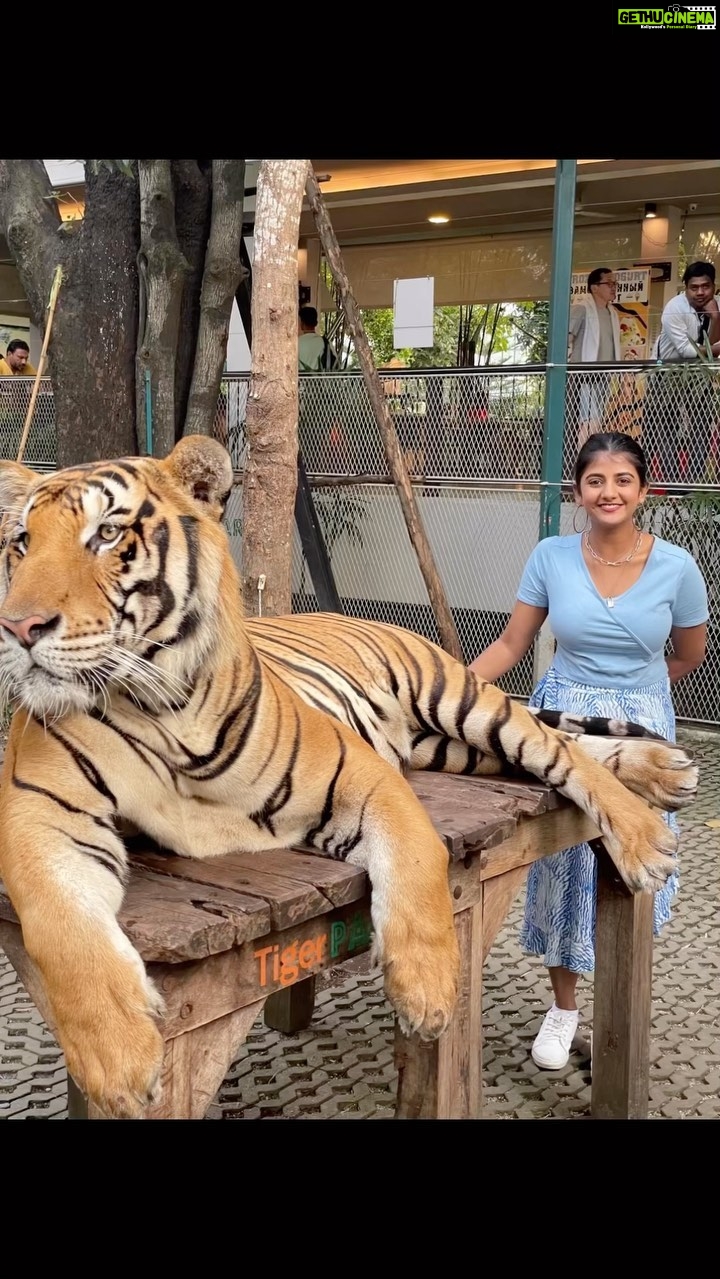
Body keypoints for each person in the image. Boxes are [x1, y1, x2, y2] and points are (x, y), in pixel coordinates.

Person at [468, 432, 708, 1070]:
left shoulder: (678, 568)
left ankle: (619, 1006)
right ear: (578, 491)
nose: (609, 492)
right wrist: (455, 694)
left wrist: (638, 699)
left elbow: (688, 654)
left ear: (643, 490)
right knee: (564, 862)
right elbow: (512, 644)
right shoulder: (550, 555)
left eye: (623, 480)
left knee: (633, 857)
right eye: (596, 481)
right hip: (562, 725)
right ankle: (563, 1008)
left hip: (644, 731)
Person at [648, 261, 720, 485]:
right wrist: (715, 350)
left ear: (714, 286)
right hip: (666, 371)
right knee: (665, 425)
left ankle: (693, 483)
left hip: (699, 375)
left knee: (701, 425)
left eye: (705, 286)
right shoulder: (674, 307)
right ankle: (672, 484)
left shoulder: (718, 305)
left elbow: (711, 348)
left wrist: (717, 317)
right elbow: (688, 351)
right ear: (685, 287)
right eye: (694, 287)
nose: (700, 292)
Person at [567, 268, 622, 447]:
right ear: (595, 287)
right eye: (609, 283)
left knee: (597, 421)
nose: (613, 288)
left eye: (615, 284)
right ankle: (583, 461)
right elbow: (565, 337)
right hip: (583, 376)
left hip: (604, 376)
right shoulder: (582, 308)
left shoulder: (612, 312)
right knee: (589, 420)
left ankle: (587, 459)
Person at [297, 305, 339, 372]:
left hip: (300, 381)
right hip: (321, 381)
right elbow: (336, 364)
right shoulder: (325, 342)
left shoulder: (296, 343)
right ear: (316, 323)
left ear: (302, 323)